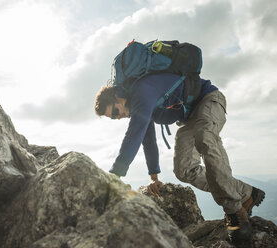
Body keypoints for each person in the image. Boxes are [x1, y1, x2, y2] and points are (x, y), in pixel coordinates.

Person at [94, 72, 265, 243]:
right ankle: (246, 193)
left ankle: (235, 211)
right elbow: (148, 140)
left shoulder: (142, 91)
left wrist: (114, 176)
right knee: (184, 169)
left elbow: (133, 135)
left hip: (210, 100)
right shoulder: (139, 106)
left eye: (116, 111)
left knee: (205, 137)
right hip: (190, 118)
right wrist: (154, 178)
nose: (119, 116)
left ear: (118, 96)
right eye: (114, 117)